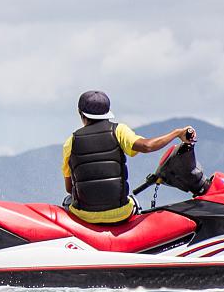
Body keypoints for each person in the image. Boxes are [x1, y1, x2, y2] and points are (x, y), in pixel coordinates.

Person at [61, 90, 195, 225]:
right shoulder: (119, 131)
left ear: (80, 113)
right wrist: (177, 133)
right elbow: (147, 146)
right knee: (133, 202)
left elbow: (69, 188)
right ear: (107, 112)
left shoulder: (71, 142)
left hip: (84, 215)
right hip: (120, 213)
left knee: (68, 201)